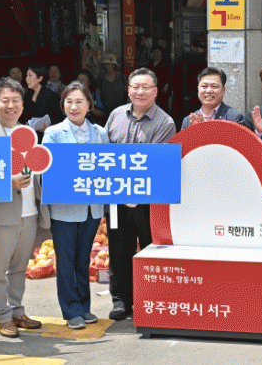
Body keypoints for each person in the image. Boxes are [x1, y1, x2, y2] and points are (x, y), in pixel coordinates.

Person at [0, 77, 48, 338]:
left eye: (15, 101)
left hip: (28, 211)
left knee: (19, 267)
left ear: (23, 104)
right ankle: (2, 316)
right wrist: (10, 183)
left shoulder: (29, 133)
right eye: (5, 101)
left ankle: (17, 311)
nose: (10, 106)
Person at [105, 67, 176, 320]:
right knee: (118, 249)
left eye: (146, 87)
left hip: (149, 201)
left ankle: (150, 300)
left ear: (155, 91)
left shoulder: (165, 122)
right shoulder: (115, 115)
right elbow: (106, 155)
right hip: (117, 198)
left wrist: (136, 193)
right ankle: (121, 300)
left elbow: (156, 163)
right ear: (128, 90)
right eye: (135, 87)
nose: (140, 92)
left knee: (150, 249)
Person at [43, 81, 109, 329]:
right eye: (69, 102)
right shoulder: (54, 133)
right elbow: (50, 169)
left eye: (79, 101)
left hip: (92, 208)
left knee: (83, 258)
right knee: (66, 260)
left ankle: (84, 306)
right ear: (63, 105)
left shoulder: (100, 133)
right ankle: (71, 310)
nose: (74, 107)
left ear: (89, 105)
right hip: (64, 208)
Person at [23, 63, 63, 136]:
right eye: (26, 76)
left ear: (40, 78)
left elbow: (59, 118)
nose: (26, 79)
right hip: (29, 135)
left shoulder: (51, 96)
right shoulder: (27, 96)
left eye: (30, 75)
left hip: (47, 136)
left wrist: (48, 128)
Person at [145, 45, 172, 112]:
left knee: (163, 104)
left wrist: (166, 86)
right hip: (152, 87)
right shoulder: (150, 64)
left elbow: (168, 76)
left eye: (157, 52)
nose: (156, 54)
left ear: (161, 53)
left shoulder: (165, 64)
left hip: (162, 86)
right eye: (154, 52)